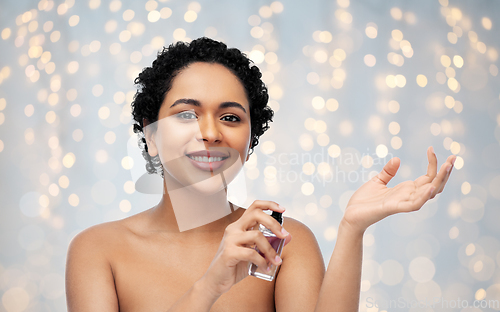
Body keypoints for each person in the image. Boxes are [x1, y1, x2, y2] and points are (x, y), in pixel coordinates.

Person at [65, 37, 456, 311]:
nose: (211, 132)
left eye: (230, 117)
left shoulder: (282, 242)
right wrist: (211, 284)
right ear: (150, 134)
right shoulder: (98, 250)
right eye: (186, 114)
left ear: (249, 141)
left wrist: (352, 229)